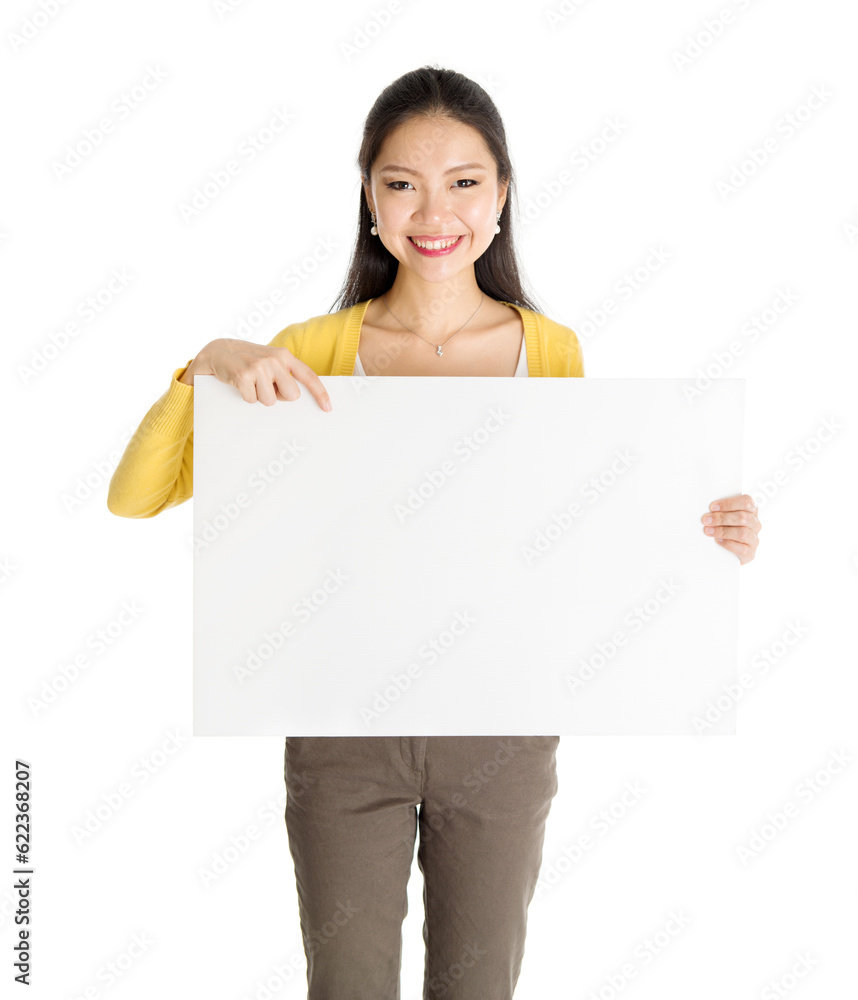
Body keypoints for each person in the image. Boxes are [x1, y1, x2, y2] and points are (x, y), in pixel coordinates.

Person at [107, 65, 762, 999]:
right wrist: (204, 366)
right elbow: (135, 499)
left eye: (464, 181)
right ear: (370, 200)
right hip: (343, 731)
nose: (433, 210)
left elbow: (576, 532)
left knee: (478, 987)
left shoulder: (553, 350)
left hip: (500, 728)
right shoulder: (312, 350)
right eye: (400, 182)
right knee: (347, 985)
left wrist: (705, 536)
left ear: (501, 197)